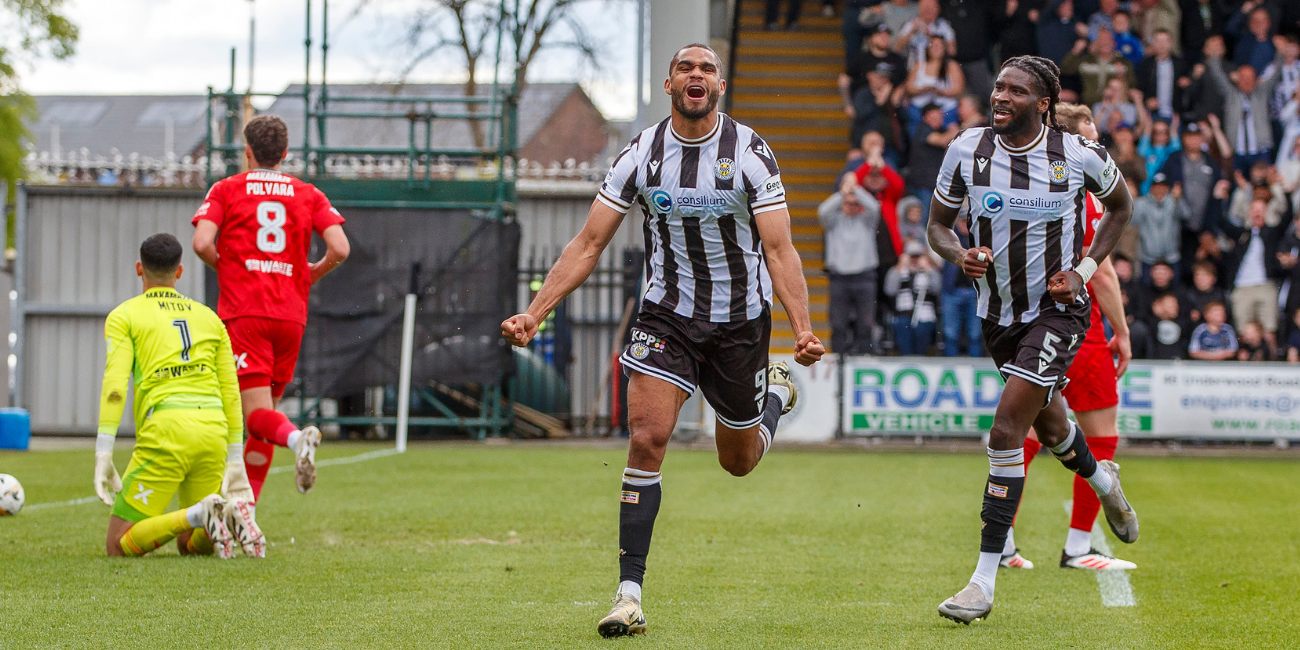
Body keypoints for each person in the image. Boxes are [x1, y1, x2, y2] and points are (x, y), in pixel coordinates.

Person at [500, 44, 824, 639]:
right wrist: (535, 312)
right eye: (685, 69)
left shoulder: (750, 153)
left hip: (739, 323)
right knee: (647, 438)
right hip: (666, 316)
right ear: (670, 82)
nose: (695, 76)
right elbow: (588, 244)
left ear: (719, 85)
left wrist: (801, 328)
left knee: (739, 461)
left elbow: (779, 249)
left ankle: (773, 401)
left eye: (706, 69)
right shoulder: (641, 153)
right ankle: (629, 594)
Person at [928, 55, 1138, 623]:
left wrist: (1085, 271)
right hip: (998, 316)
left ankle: (982, 582)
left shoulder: (1077, 155)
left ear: (1044, 103)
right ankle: (1103, 479)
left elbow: (1121, 207)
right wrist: (961, 254)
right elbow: (938, 227)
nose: (1001, 97)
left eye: (1016, 92)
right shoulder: (966, 151)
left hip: (1059, 311)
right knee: (1050, 425)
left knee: (1004, 429)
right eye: (997, 87)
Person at [1000, 103, 1135, 572]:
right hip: (1079, 326)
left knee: (1033, 428)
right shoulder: (1086, 186)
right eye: (1091, 130)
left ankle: (1002, 540)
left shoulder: (1033, 180)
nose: (1098, 138)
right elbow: (1102, 273)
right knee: (1099, 435)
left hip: (1029, 322)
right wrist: (1121, 331)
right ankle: (1079, 547)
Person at [191, 115, 350, 501]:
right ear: (285, 153)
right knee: (265, 418)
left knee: (255, 418)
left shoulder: (228, 189)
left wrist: (229, 267)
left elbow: (201, 242)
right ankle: (245, 513)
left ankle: (298, 439)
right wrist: (310, 274)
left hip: (246, 311)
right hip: (290, 314)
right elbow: (341, 248)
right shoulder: (308, 193)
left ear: (247, 152)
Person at [94, 234, 262, 558]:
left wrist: (104, 450)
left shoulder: (124, 315)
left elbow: (115, 384)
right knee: (191, 545)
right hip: (212, 428)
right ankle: (218, 515)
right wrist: (235, 454)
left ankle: (198, 514)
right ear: (180, 271)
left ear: (139, 269)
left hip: (167, 429)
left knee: (118, 544)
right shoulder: (210, 318)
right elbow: (230, 390)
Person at [821, 180, 882, 355]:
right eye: (848, 203)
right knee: (838, 324)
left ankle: (864, 356)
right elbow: (823, 210)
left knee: (866, 324)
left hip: (865, 277)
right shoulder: (833, 222)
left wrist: (856, 189)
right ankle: (838, 359)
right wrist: (842, 193)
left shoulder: (867, 222)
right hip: (839, 278)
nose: (851, 206)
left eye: (856, 204)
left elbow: (874, 207)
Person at [1203, 36, 1281, 172]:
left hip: (1260, 151)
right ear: (1238, 79)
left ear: (1255, 80)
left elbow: (1274, 75)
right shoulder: (1231, 95)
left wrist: (1280, 53)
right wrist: (1215, 57)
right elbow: (1218, 77)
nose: (1247, 82)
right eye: (1243, 78)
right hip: (1236, 151)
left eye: (1250, 79)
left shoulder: (1262, 94)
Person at [1221, 198, 1283, 352]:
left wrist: (1285, 192)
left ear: (1267, 213)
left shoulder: (1272, 233)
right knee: (1242, 332)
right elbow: (1221, 222)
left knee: (1269, 330)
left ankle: (1273, 364)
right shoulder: (1241, 233)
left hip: (1265, 285)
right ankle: (1243, 366)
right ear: (1248, 212)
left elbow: (1286, 217)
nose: (1257, 212)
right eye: (1254, 209)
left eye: (1261, 209)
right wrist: (1220, 198)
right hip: (1242, 287)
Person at [906, 102, 960, 220]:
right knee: (924, 219)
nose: (940, 118)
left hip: (936, 184)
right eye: (936, 116)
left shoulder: (941, 130)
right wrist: (955, 130)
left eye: (940, 115)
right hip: (923, 185)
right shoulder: (923, 129)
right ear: (927, 117)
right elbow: (941, 141)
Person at [885, 240, 940, 354]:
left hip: (925, 316)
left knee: (923, 332)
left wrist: (928, 269)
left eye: (917, 257)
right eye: (911, 257)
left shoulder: (929, 272)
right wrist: (900, 267)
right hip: (903, 316)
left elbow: (937, 289)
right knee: (902, 328)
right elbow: (890, 290)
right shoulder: (897, 271)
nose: (914, 260)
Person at [1130, 173, 1188, 280]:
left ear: (1167, 188)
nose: (1159, 189)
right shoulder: (1142, 203)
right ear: (1151, 188)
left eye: (1163, 186)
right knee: (1147, 290)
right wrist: (1132, 201)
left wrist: (1178, 200)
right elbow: (1132, 221)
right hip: (1148, 258)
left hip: (1171, 257)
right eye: (1156, 186)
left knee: (1173, 290)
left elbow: (1186, 215)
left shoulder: (1174, 201)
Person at [941, 212, 981, 357]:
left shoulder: (979, 239)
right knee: (950, 333)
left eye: (967, 221)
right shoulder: (949, 239)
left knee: (975, 334)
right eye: (963, 221)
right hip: (953, 290)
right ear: (957, 222)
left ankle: (975, 364)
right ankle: (950, 364)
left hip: (975, 292)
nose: (965, 225)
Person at [1062, 28, 1136, 106]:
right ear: (1096, 43)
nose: (1105, 43)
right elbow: (1065, 69)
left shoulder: (1124, 63)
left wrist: (1122, 77)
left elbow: (1132, 86)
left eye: (1108, 40)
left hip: (1113, 108)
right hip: (1087, 105)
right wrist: (1075, 51)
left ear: (1114, 43)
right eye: (1102, 40)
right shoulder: (1085, 60)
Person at [1136, 29, 1190, 121]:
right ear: (1153, 43)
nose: (1162, 45)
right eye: (1158, 41)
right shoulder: (1145, 65)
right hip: (1152, 115)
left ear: (1170, 43)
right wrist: (1147, 101)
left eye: (1165, 41)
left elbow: (1188, 87)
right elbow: (1138, 89)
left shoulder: (1181, 64)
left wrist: (1187, 82)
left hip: (1175, 115)